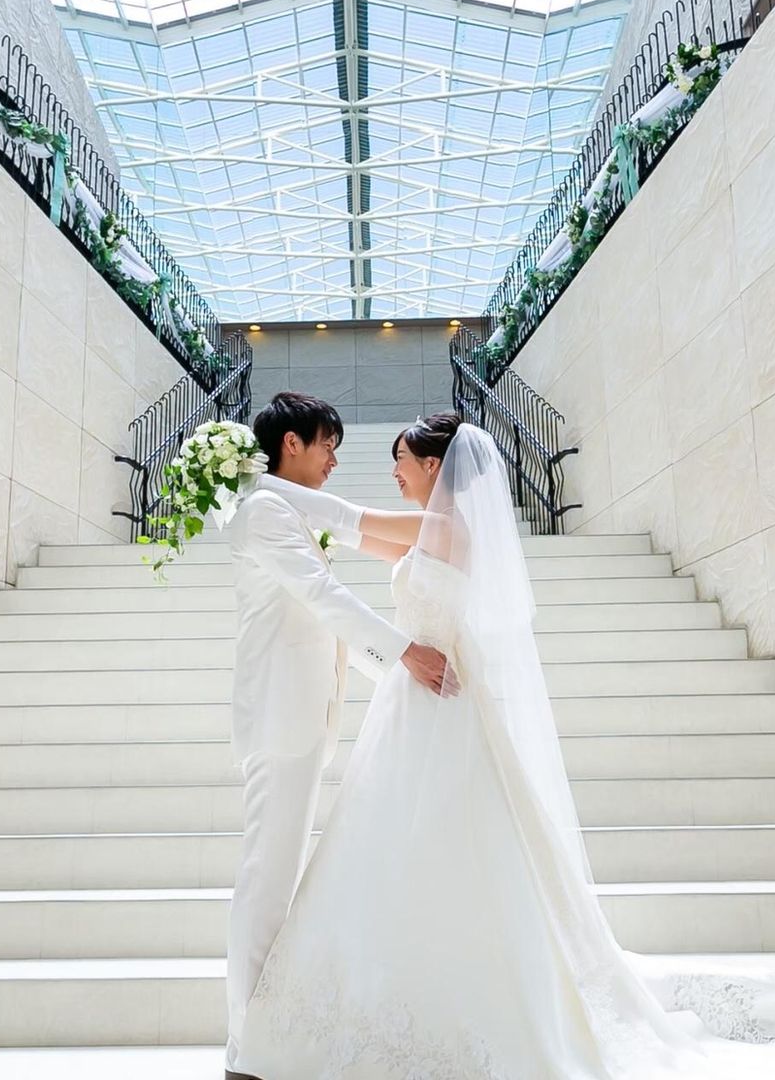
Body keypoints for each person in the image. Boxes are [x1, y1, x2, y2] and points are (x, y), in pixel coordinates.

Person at [232, 413, 775, 1079]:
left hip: (438, 699)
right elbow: (353, 531)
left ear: (433, 467)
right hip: (414, 702)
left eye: (401, 461)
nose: (392, 472)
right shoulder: (430, 532)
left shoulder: (446, 532)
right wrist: (257, 493)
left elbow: (351, 524)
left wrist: (249, 484)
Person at [223, 393, 449, 1080]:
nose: (334, 460)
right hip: (279, 715)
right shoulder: (266, 511)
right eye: (328, 444)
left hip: (303, 713)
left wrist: (460, 519)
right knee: (267, 877)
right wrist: (402, 652)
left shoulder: (290, 506)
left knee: (278, 873)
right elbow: (323, 597)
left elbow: (360, 526)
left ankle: (261, 1037)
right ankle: (244, 1045)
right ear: (291, 443)